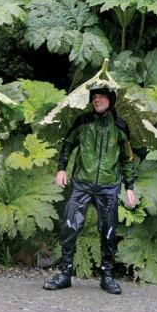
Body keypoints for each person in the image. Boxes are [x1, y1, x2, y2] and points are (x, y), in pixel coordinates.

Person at [43, 87, 137, 294]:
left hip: (108, 186)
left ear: (111, 100)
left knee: (109, 231)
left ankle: (107, 276)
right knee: (69, 226)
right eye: (94, 97)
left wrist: (130, 186)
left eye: (101, 97)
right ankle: (65, 273)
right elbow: (67, 145)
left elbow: (127, 158)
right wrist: (61, 169)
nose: (97, 100)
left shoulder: (120, 126)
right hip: (82, 184)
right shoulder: (83, 122)